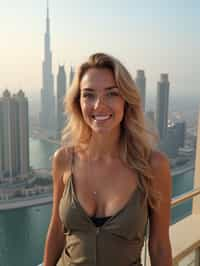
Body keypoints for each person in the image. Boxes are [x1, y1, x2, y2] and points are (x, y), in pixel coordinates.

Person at [43, 53, 172, 266]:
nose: (98, 105)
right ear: (78, 102)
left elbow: (159, 246)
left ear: (126, 100)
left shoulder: (153, 166)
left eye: (111, 93)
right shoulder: (64, 160)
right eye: (89, 95)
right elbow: (57, 230)